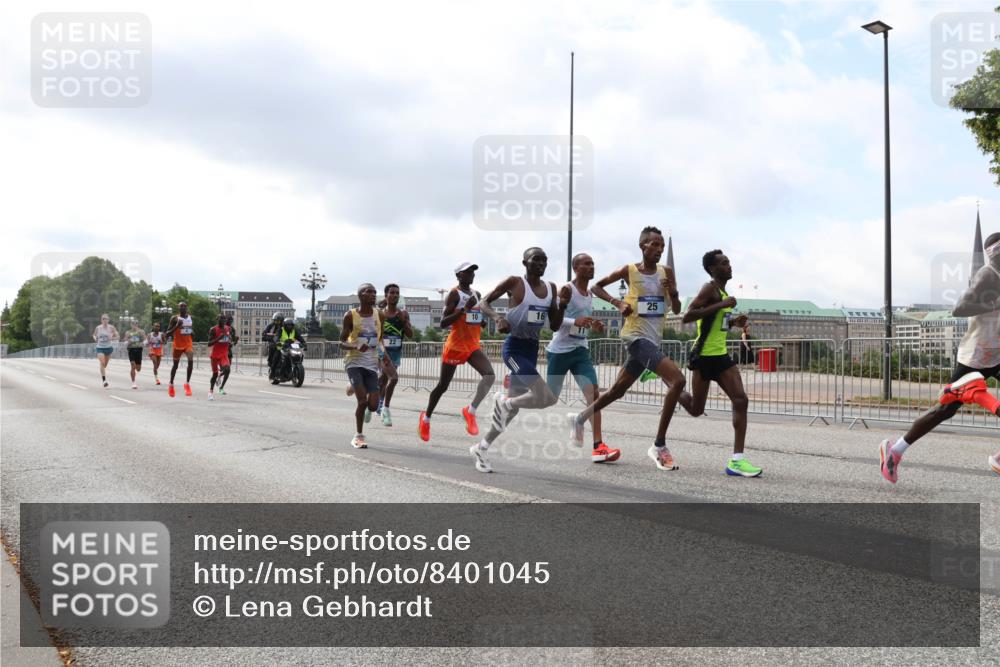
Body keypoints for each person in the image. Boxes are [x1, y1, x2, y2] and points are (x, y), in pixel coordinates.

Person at [880, 232, 1000, 482]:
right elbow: (959, 308)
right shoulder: (988, 275)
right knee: (944, 410)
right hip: (976, 356)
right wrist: (995, 303)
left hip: (998, 352)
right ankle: (894, 451)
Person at [567, 226, 686, 472]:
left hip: (653, 340)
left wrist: (672, 291)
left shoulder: (667, 272)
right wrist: (618, 302)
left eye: (662, 246)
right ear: (643, 246)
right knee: (678, 380)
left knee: (616, 391)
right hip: (634, 337)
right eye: (655, 245)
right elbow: (596, 287)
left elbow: (675, 309)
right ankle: (659, 445)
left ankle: (579, 418)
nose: (659, 250)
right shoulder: (629, 270)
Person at [676, 250, 762, 478]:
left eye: (729, 262)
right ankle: (671, 383)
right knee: (696, 409)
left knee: (741, 400)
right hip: (703, 356)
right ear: (712, 269)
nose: (729, 266)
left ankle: (737, 460)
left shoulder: (723, 292)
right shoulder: (709, 289)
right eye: (724, 264)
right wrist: (721, 304)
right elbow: (688, 315)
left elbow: (716, 323)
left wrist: (733, 321)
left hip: (721, 356)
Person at [546, 253, 620, 463]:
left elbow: (582, 322)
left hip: (580, 351)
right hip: (560, 351)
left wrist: (593, 324)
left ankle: (598, 446)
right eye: (586, 264)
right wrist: (574, 321)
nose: (591, 267)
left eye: (593, 264)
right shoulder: (567, 290)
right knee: (549, 398)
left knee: (594, 394)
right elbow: (554, 321)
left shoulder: (589, 295)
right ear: (575, 267)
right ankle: (508, 401)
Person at [418, 262, 495, 442]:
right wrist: (464, 309)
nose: (471, 275)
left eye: (473, 272)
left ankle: (471, 411)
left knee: (490, 375)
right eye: (467, 272)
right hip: (455, 346)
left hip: (472, 346)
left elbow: (475, 318)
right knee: (442, 386)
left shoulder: (477, 294)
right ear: (459, 275)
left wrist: (482, 322)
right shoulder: (454, 294)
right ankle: (426, 418)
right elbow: (443, 322)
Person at [341, 283, 383, 448]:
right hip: (354, 362)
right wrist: (355, 345)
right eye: (368, 291)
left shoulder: (379, 315)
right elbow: (342, 342)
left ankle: (352, 385)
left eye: (374, 292)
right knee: (362, 402)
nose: (373, 294)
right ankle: (358, 436)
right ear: (360, 295)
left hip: (371, 363)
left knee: (373, 406)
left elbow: (380, 340)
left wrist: (384, 357)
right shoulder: (350, 315)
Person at [377, 284, 412, 426]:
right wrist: (382, 352)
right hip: (382, 351)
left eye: (397, 293)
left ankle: (375, 403)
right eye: (392, 293)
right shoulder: (380, 314)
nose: (395, 295)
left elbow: (410, 335)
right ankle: (385, 409)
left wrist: (403, 321)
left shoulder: (403, 314)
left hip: (396, 352)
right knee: (393, 378)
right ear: (386, 295)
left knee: (384, 380)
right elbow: (377, 336)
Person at [164, 302, 195, 398]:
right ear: (178, 308)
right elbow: (167, 333)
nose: (183, 307)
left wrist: (192, 332)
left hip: (188, 343)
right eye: (181, 306)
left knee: (191, 360)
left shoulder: (190, 317)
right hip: (177, 345)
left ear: (187, 308)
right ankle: (171, 384)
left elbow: (190, 330)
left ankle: (187, 383)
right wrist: (177, 325)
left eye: (185, 306)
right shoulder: (174, 318)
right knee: (175, 366)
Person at [207, 314, 233, 400]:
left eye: (224, 319)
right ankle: (210, 392)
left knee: (227, 369)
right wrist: (218, 338)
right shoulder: (213, 329)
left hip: (224, 354)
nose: (223, 320)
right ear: (217, 320)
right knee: (214, 374)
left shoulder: (228, 329)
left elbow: (229, 340)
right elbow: (209, 343)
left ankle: (221, 387)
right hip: (215, 355)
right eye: (221, 319)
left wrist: (232, 342)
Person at [273, 317, 306, 383]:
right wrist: (277, 342)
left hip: (290, 347)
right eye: (288, 325)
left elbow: (300, 338)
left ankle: (295, 371)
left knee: (299, 355)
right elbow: (276, 337)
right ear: (285, 325)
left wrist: (304, 343)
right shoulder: (281, 330)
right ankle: (275, 374)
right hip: (281, 347)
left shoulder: (294, 331)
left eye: (291, 325)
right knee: (277, 357)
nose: (289, 326)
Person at [92, 314, 119, 388]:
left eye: (106, 319)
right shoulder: (98, 328)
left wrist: (112, 338)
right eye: (103, 319)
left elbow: (118, 336)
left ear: (108, 320)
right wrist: (95, 338)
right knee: (102, 362)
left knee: (105, 365)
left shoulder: (111, 328)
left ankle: (103, 377)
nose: (105, 320)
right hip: (100, 347)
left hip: (108, 348)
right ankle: (104, 381)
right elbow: (94, 335)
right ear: (101, 320)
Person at [123, 319, 147, 389]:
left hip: (139, 350)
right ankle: (133, 383)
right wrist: (128, 342)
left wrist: (144, 343)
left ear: (137, 324)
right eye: (133, 324)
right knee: (133, 365)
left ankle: (136, 368)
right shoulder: (128, 332)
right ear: (131, 325)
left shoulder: (141, 331)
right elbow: (125, 341)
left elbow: (145, 339)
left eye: (136, 324)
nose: (134, 325)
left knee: (138, 369)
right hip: (131, 350)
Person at [218, 314, 238, 395]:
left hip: (228, 351)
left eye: (231, 321)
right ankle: (218, 375)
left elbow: (232, 343)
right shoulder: (220, 328)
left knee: (228, 370)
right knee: (224, 369)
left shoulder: (232, 329)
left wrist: (236, 341)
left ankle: (221, 387)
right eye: (228, 320)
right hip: (220, 352)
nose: (229, 322)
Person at [262, 313, 285, 380]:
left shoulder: (284, 326)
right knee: (275, 357)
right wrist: (270, 337)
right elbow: (264, 334)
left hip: (283, 344)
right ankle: (272, 373)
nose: (277, 322)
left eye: (278, 321)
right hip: (273, 344)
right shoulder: (270, 326)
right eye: (275, 321)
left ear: (282, 321)